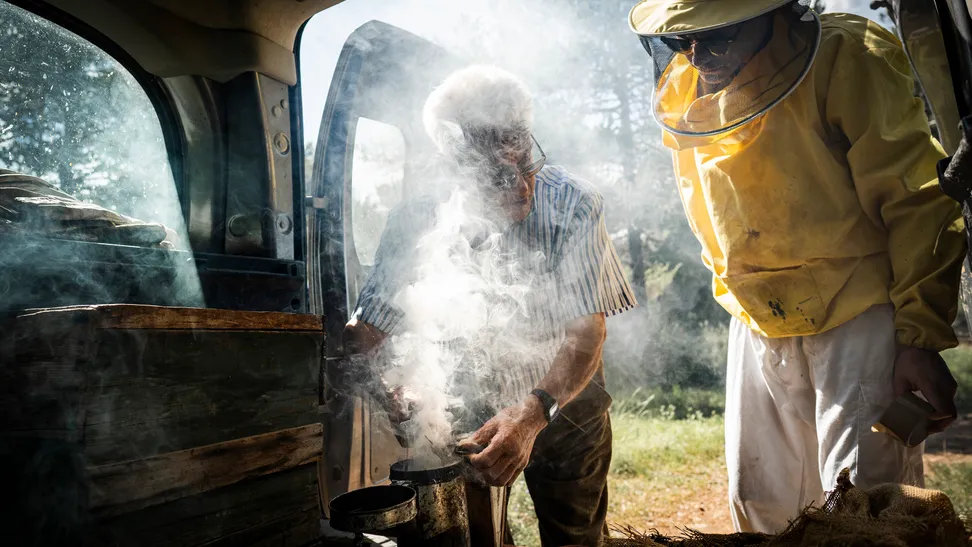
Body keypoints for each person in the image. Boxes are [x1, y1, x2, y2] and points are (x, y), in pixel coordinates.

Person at [627, 0, 968, 534]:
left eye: (717, 37)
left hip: (859, 315)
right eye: (681, 40)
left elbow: (916, 200)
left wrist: (918, 336)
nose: (698, 56)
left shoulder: (847, 55)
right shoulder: (685, 89)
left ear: (774, 16)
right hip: (757, 320)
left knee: (860, 505)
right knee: (759, 499)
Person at [342, 65, 637, 547]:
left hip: (566, 400)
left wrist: (533, 412)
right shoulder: (417, 220)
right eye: (499, 177)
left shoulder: (575, 203)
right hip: (471, 402)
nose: (522, 188)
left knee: (575, 534)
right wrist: (388, 389)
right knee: (474, 536)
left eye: (526, 164)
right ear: (456, 168)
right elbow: (364, 334)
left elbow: (586, 335)